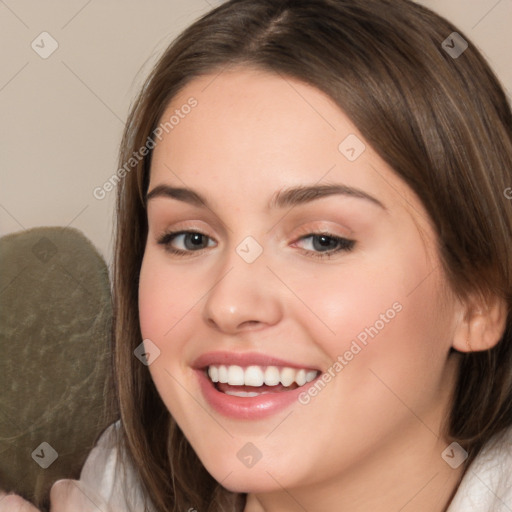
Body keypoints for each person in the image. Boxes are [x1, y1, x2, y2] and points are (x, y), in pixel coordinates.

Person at [3, 0, 512, 510]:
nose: (229, 304)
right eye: (190, 238)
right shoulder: (107, 489)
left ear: (478, 298)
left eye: (322, 240)